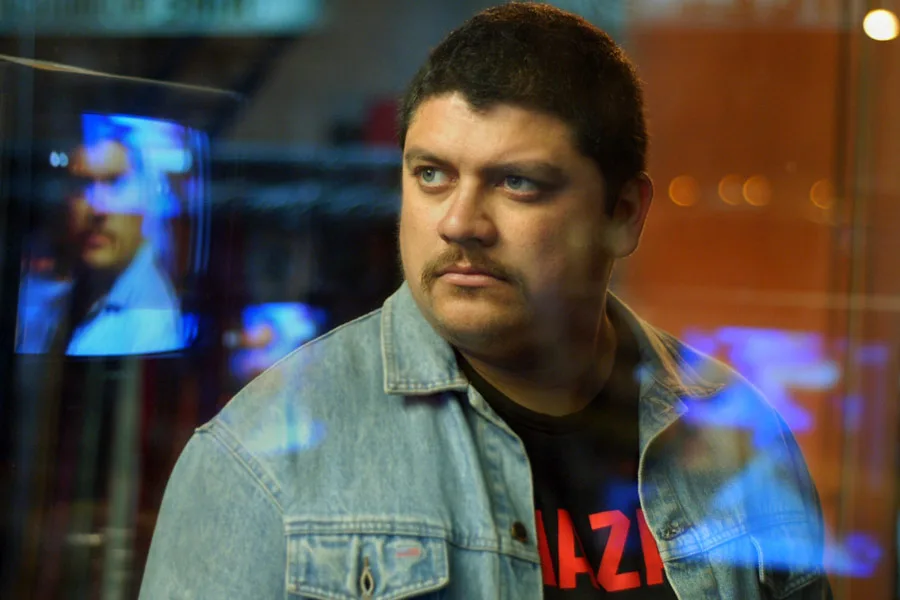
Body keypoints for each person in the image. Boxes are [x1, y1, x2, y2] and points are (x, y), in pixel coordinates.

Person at [140, 3, 832, 598]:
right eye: (432, 174)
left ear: (622, 213)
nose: (459, 222)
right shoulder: (258, 461)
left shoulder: (737, 436)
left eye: (517, 182)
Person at [16, 116, 184, 356]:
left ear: (147, 198)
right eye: (83, 184)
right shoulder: (54, 288)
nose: (96, 207)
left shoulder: (150, 327)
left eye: (115, 182)